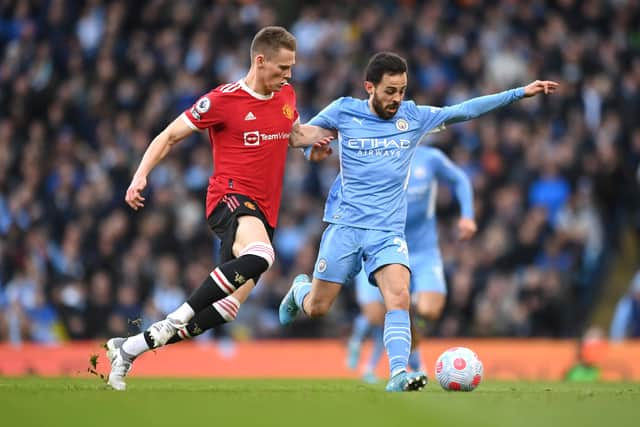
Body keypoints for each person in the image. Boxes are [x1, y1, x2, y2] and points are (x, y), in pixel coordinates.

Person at [277, 52, 558, 391]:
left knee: (399, 296)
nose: (398, 99)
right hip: (346, 226)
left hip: (388, 231)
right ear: (370, 87)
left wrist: (517, 93)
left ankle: (397, 373)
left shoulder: (413, 117)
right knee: (319, 307)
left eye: (403, 90)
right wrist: (313, 151)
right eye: (390, 91)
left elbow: (464, 110)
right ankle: (300, 290)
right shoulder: (343, 110)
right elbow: (301, 138)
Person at [105, 26, 329, 391]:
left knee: (227, 309)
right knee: (262, 253)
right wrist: (140, 176)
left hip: (264, 212)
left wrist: (313, 145)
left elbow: (292, 133)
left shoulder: (285, 94)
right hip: (229, 198)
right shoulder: (222, 100)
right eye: (283, 67)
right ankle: (175, 315)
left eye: (291, 68)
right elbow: (170, 135)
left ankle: (129, 348)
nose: (289, 75)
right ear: (260, 60)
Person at [346, 145, 475, 383]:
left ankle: (403, 358)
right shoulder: (375, 158)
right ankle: (411, 363)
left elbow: (460, 180)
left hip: (423, 251)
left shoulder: (431, 158)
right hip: (383, 247)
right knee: (378, 315)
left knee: (429, 309)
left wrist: (467, 215)